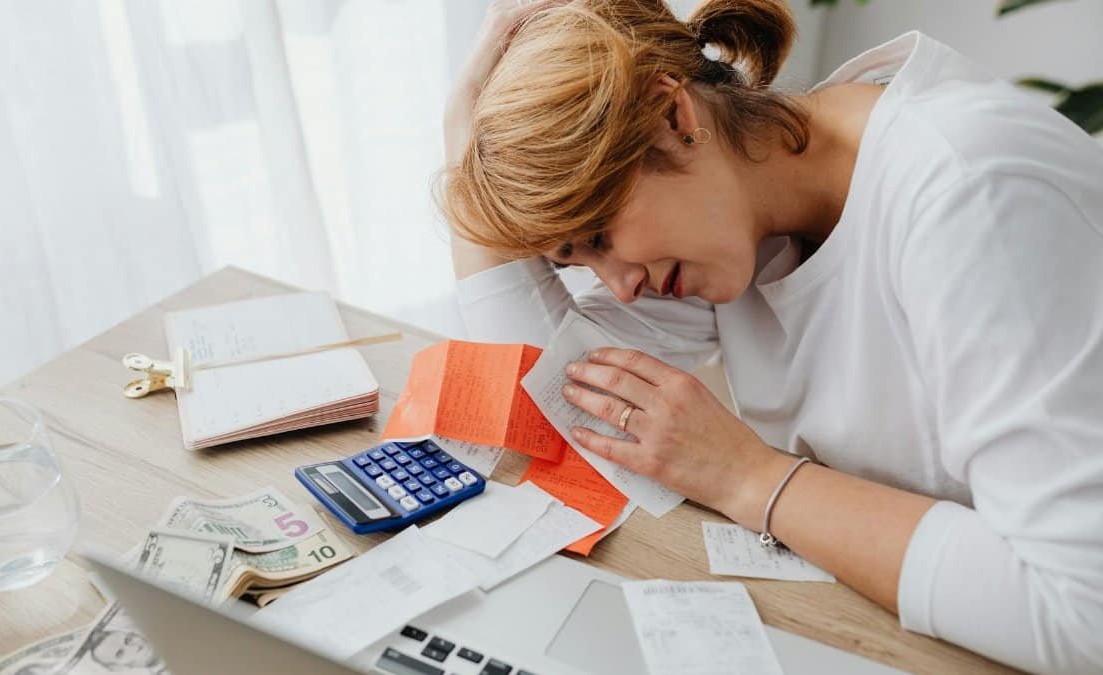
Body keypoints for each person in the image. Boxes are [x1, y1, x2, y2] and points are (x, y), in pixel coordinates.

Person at [438, 0, 1103, 672]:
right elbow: (560, 398)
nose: (619, 286)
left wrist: (748, 477)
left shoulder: (974, 194)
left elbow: (1083, 612)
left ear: (673, 117)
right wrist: (462, 136)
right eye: (577, 261)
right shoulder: (752, 211)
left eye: (602, 237)